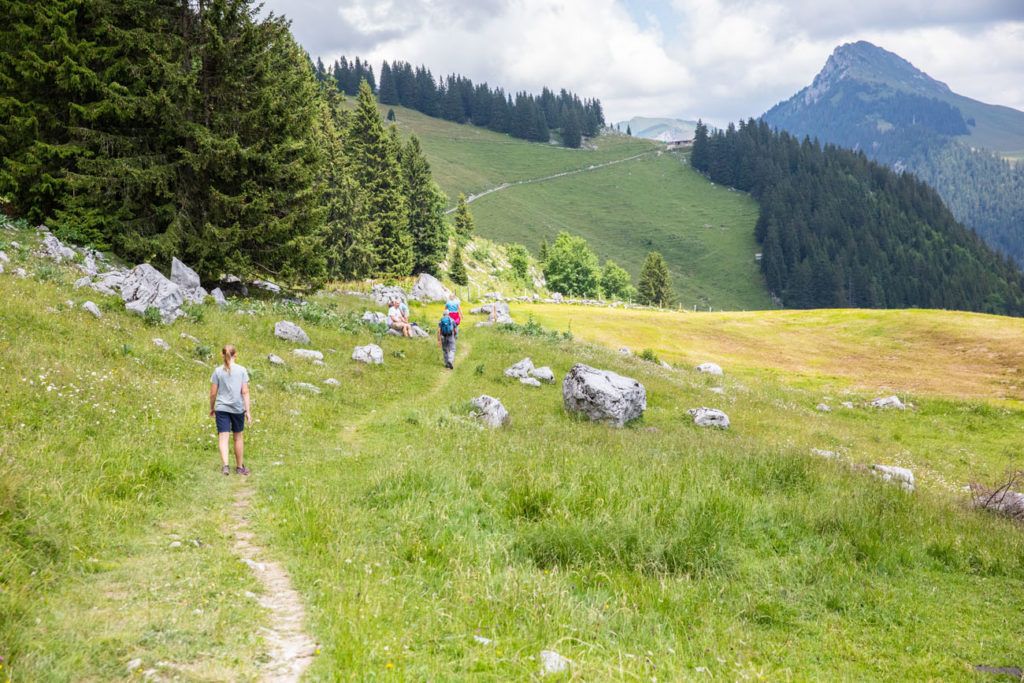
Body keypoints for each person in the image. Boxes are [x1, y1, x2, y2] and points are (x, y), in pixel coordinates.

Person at [209, 344, 252, 475]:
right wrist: (248, 411)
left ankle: (226, 466)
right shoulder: (242, 370)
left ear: (222, 355)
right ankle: (239, 468)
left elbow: (213, 393)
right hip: (237, 408)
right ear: (236, 355)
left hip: (221, 408)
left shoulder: (217, 371)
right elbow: (245, 392)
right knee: (238, 437)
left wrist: (212, 407)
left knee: (223, 437)